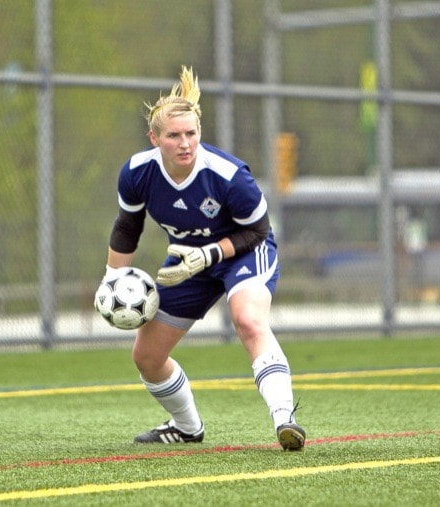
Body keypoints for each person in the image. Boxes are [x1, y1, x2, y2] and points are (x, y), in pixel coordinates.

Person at [99, 66, 305, 451]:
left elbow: (257, 231)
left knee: (248, 318)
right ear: (154, 138)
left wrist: (211, 253)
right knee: (146, 355)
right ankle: (187, 426)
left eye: (191, 134)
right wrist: (111, 277)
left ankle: (284, 420)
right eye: (174, 135)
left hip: (244, 250)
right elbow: (128, 227)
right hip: (190, 262)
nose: (185, 143)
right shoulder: (137, 173)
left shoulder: (228, 175)